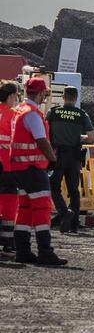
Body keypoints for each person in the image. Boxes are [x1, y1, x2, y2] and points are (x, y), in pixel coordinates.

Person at [4, 78, 66, 265]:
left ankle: (23, 250)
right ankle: (45, 251)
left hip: (19, 169)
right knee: (41, 209)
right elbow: (41, 140)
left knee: (24, 209)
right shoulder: (32, 113)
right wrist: (53, 160)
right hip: (33, 169)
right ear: (41, 94)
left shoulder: (19, 111)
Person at [47, 86, 94, 234]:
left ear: (63, 97)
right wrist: (79, 137)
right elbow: (93, 137)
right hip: (74, 156)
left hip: (56, 155)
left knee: (54, 186)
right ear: (75, 98)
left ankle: (63, 212)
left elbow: (45, 131)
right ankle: (73, 223)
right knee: (73, 190)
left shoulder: (53, 112)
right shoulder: (81, 114)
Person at [0, 81, 19, 256]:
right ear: (11, 96)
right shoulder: (13, 115)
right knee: (10, 203)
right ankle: (7, 242)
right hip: (8, 166)